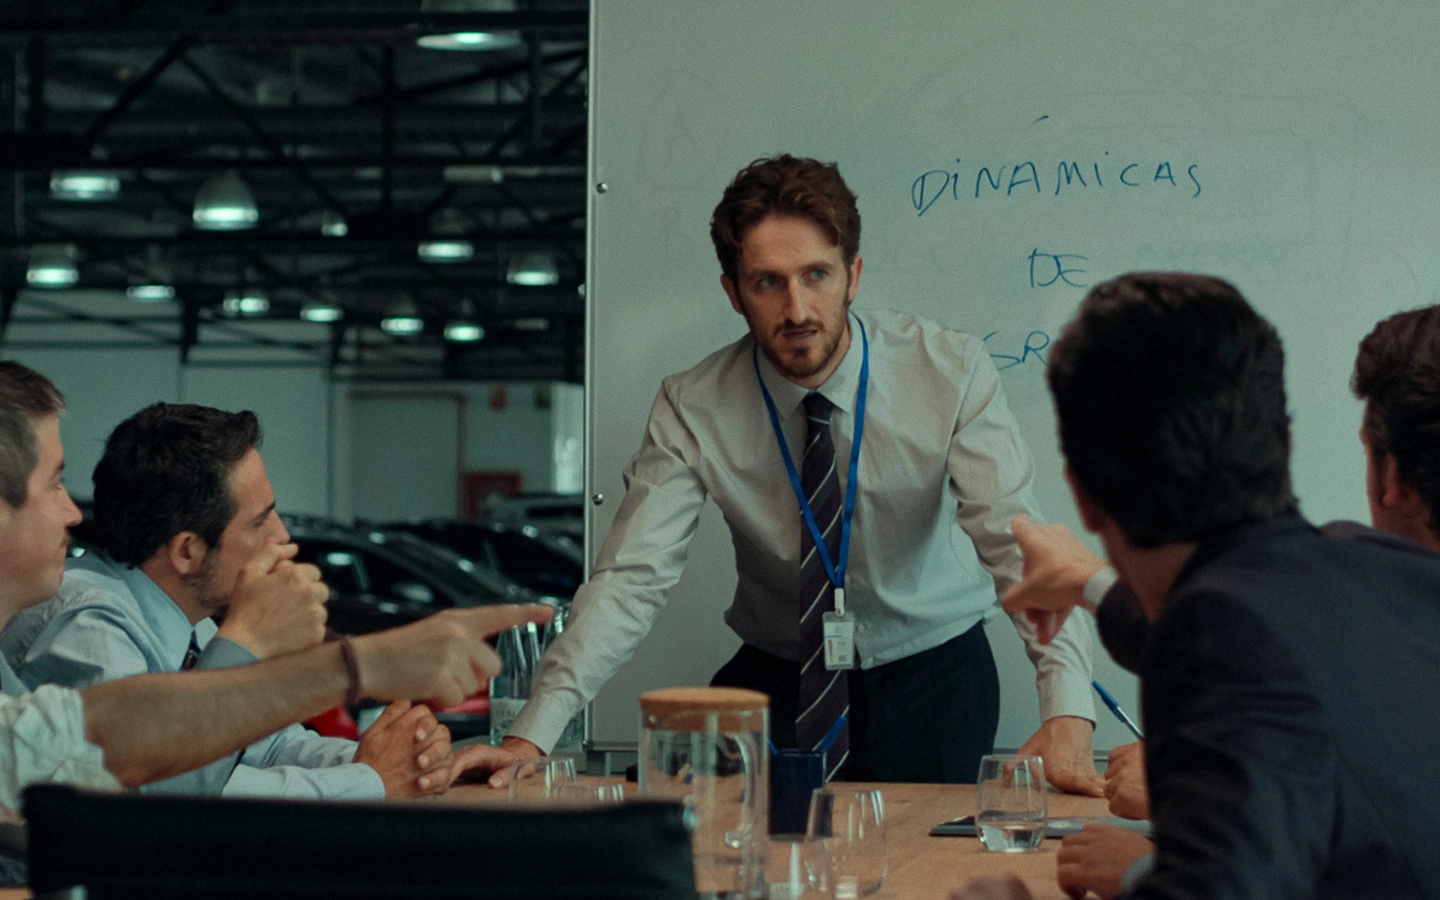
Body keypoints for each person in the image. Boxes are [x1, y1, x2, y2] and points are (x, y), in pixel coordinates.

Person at [502, 154, 1099, 790]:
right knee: (743, 846)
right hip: (780, 677)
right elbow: (632, 577)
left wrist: (1067, 708)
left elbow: (1015, 545)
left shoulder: (949, 372)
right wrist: (529, 735)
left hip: (934, 678)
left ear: (853, 276)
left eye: (817, 275)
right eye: (768, 283)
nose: (797, 310)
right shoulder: (692, 405)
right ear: (733, 293)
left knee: (921, 851)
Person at [954, 273, 1440, 899]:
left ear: (1083, 494)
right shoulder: (1372, 567)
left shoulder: (1218, 634)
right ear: (1285, 447)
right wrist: (1088, 585)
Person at [0, 360, 553, 819]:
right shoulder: (88, 621)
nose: (283, 537)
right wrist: (368, 775)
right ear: (187, 552)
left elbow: (267, 744)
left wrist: (410, 763)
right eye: (260, 521)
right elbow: (164, 796)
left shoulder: (185, 619)